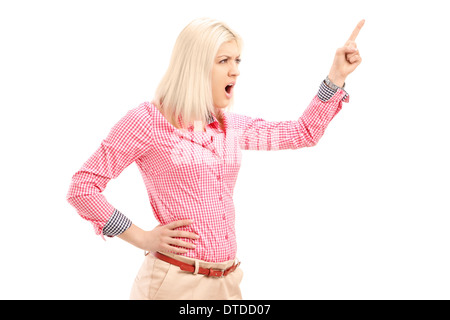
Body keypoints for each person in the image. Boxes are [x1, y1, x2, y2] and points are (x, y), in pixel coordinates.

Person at [67, 17, 364, 300]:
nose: (235, 71)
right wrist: (143, 238)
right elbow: (83, 188)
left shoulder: (229, 126)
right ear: (194, 67)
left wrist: (336, 77)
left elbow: (303, 133)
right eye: (223, 61)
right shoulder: (146, 121)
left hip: (228, 281)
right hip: (174, 283)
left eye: (237, 60)